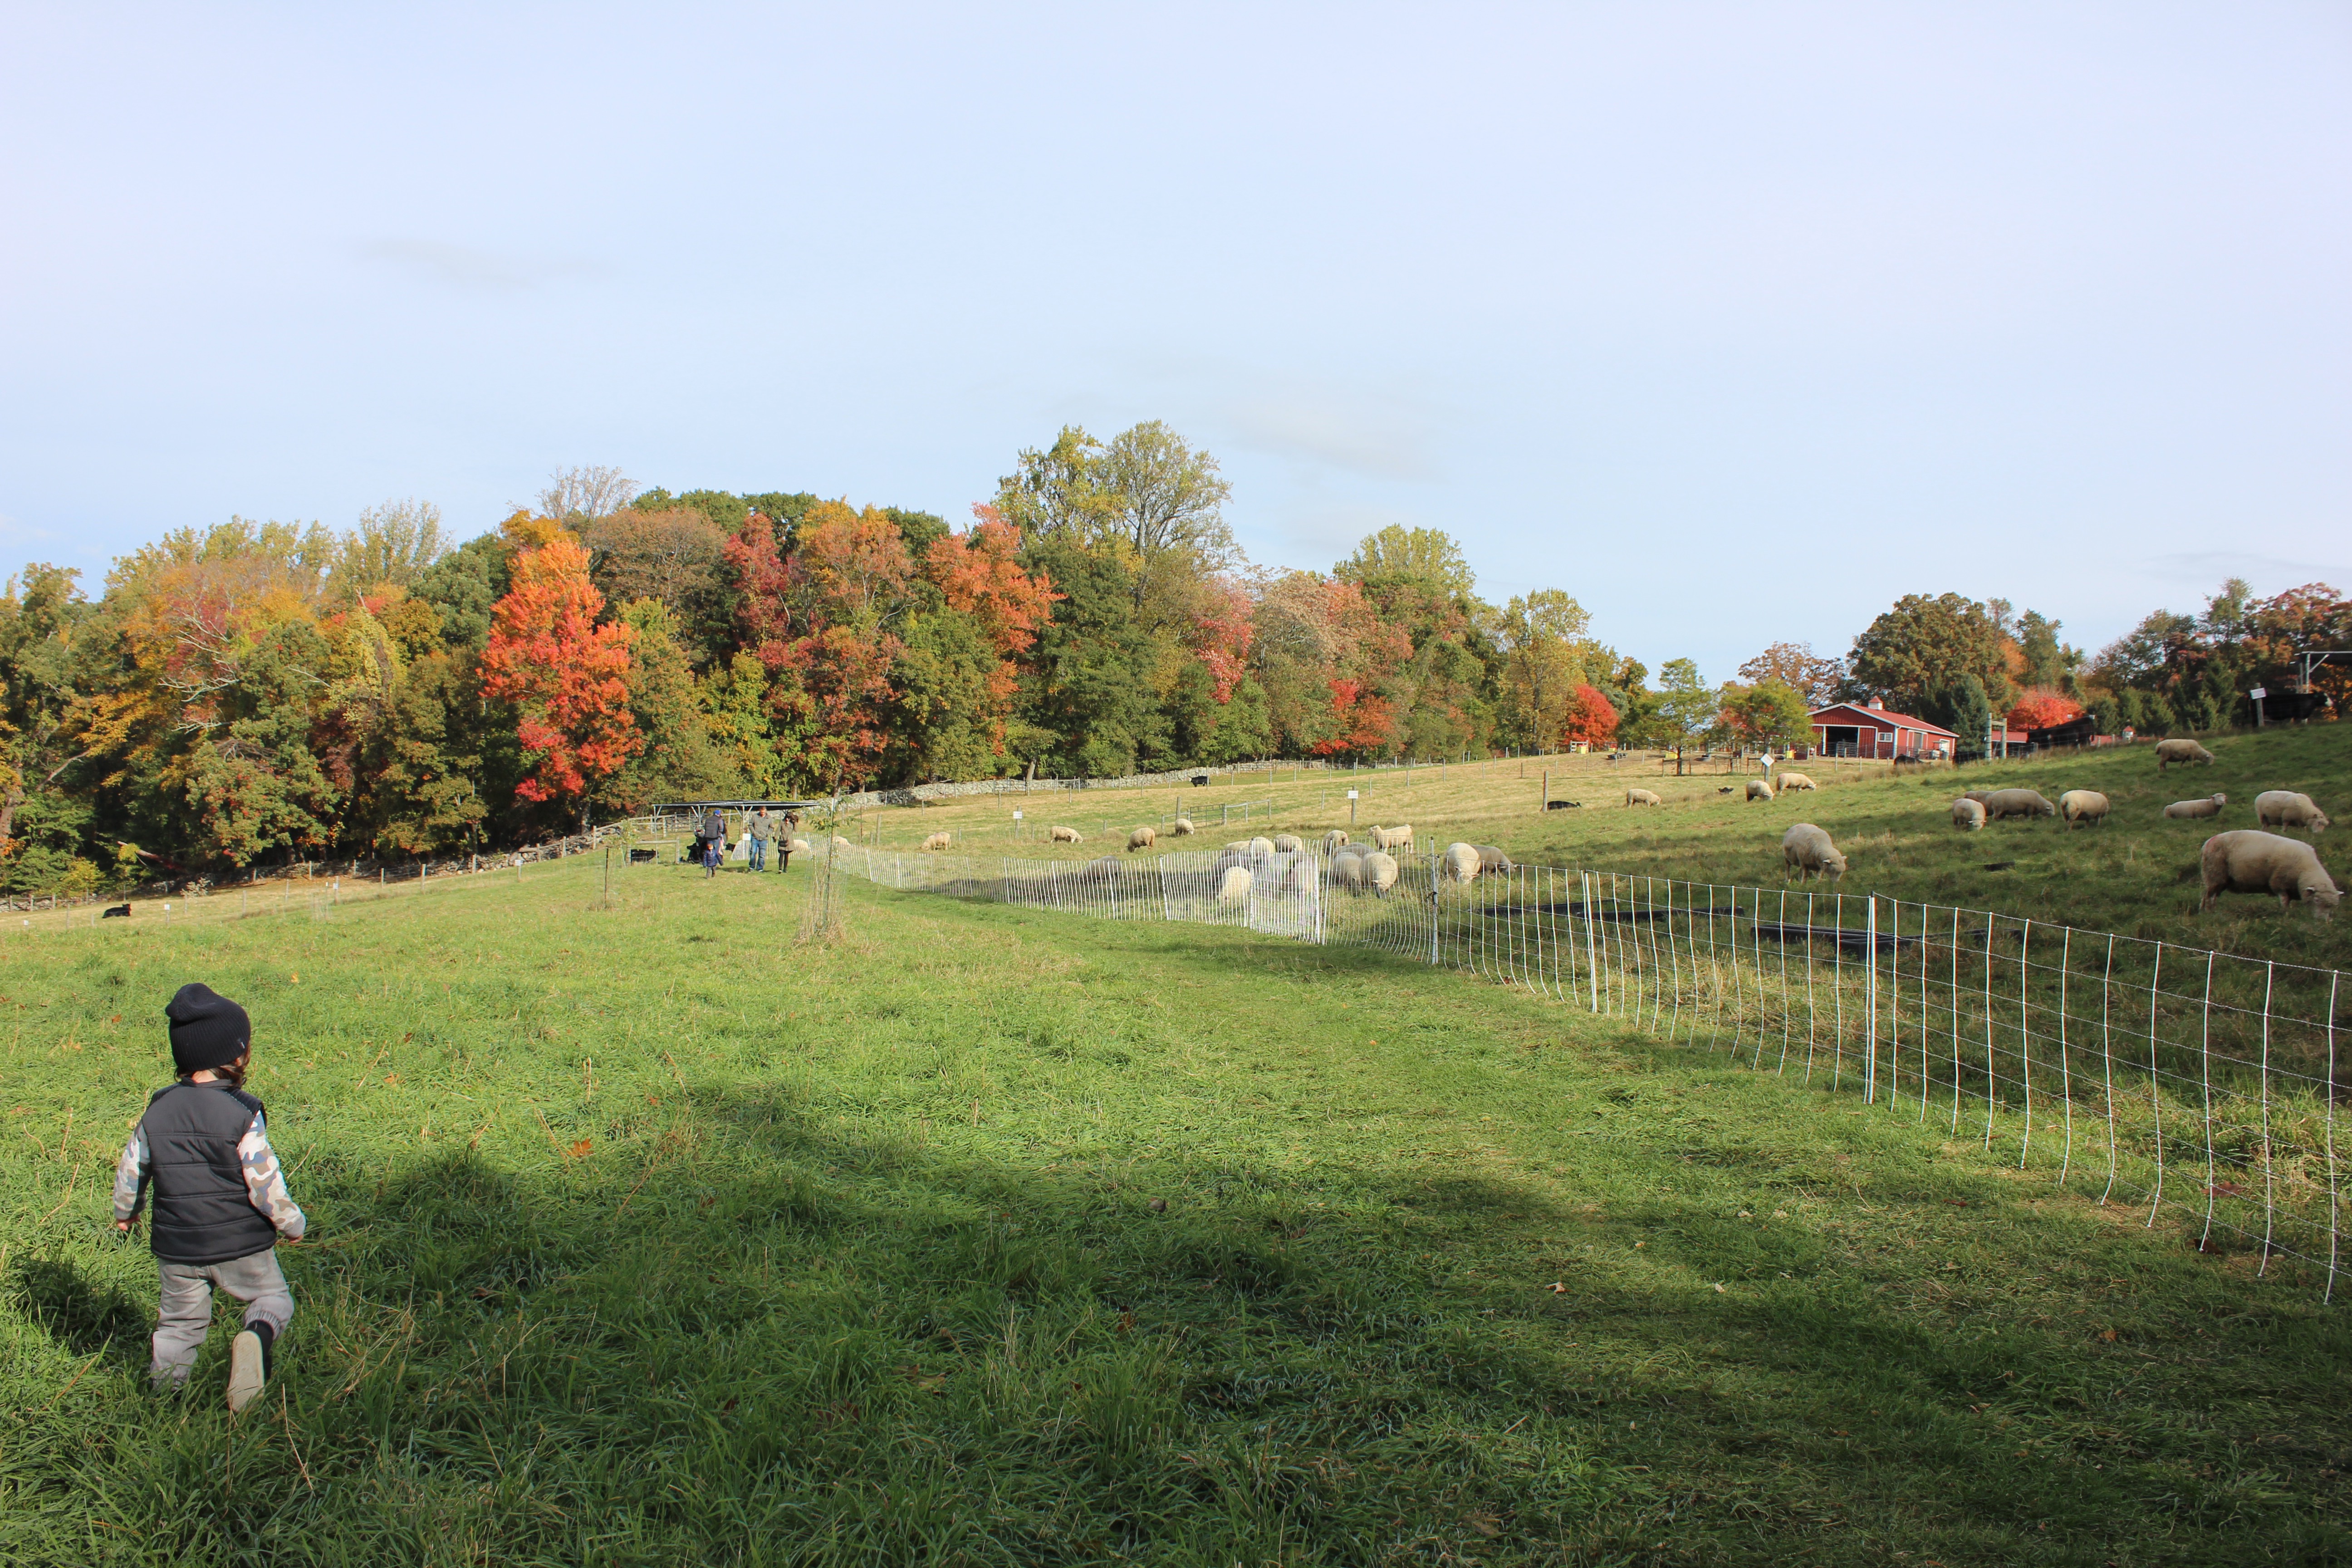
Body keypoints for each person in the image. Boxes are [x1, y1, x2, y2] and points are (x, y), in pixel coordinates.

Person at [112, 983, 306, 1413]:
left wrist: (126, 1213)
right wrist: (291, 1223)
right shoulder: (242, 1111)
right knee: (273, 1300)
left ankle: (166, 1399)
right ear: (235, 1055)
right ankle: (255, 1337)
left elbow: (132, 1169)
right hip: (241, 1244)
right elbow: (264, 1181)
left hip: (178, 1246)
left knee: (179, 1326)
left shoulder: (156, 1109)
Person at [701, 807, 726, 877]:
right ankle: (714, 865)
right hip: (716, 837)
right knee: (716, 851)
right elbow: (721, 828)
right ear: (719, 814)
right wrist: (719, 834)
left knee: (710, 850)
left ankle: (709, 863)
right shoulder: (719, 820)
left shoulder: (708, 819)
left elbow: (706, 827)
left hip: (708, 837)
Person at [745, 807, 771, 872]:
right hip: (755, 838)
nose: (762, 814)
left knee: (762, 854)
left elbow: (772, 828)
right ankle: (752, 867)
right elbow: (750, 825)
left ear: (766, 811)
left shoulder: (769, 818)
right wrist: (754, 832)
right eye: (761, 812)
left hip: (764, 839)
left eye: (764, 813)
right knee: (753, 852)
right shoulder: (755, 817)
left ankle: (760, 868)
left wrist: (767, 834)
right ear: (760, 811)